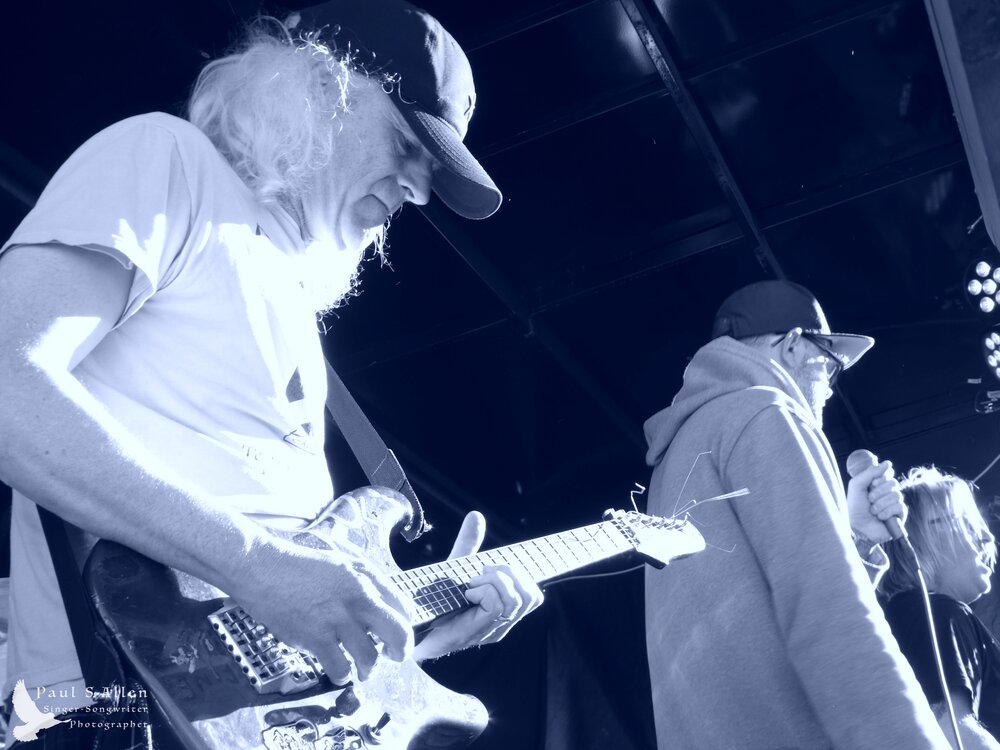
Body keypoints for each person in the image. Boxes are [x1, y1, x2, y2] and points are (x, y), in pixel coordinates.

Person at [0, 0, 542, 746]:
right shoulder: (168, 159)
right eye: (406, 144)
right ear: (318, 86)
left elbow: (252, 642)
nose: (418, 191)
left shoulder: (284, 294)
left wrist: (408, 636)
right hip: (108, 715)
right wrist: (259, 564)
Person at [643, 279, 951, 749]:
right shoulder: (766, 411)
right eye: (829, 365)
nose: (830, 386)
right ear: (791, 345)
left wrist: (856, 537)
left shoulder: (675, 458)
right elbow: (831, 613)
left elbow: (747, 613)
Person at [880, 467, 1000, 749]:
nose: (987, 538)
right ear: (919, 539)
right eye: (967, 523)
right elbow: (953, 732)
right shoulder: (939, 613)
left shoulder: (913, 613)